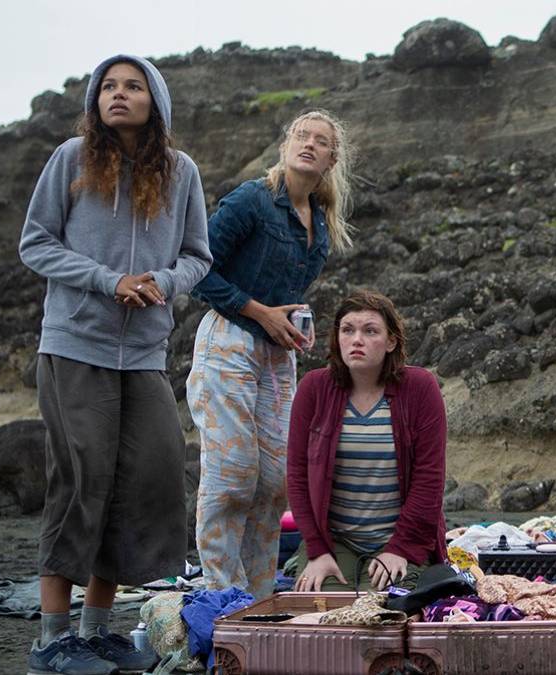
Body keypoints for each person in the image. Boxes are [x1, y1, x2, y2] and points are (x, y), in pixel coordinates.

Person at [18, 55, 211, 675]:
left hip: (146, 354)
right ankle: (53, 639)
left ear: (155, 100)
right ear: (95, 99)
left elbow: (197, 256)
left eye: (133, 86)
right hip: (75, 345)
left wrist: (162, 279)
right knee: (81, 480)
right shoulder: (70, 158)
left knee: (145, 481)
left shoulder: (181, 173)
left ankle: (97, 631)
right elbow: (36, 243)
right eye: (109, 86)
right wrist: (108, 280)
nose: (119, 95)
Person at [187, 110, 355, 600]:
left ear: (331, 158)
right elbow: (197, 269)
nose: (308, 143)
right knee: (231, 474)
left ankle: (259, 597)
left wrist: (292, 324)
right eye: (301, 135)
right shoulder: (252, 201)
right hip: (229, 341)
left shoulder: (320, 225)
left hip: (276, 354)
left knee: (275, 480)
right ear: (286, 145)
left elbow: (287, 293)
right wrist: (261, 312)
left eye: (320, 140)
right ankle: (223, 595)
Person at [285, 290, 448, 592]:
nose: (356, 339)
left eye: (370, 330)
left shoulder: (421, 388)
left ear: (390, 342)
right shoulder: (313, 388)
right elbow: (296, 475)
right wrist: (317, 550)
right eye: (347, 330)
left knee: (383, 616)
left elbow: (430, 479)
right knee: (325, 618)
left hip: (400, 539)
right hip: (335, 541)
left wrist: (400, 548)